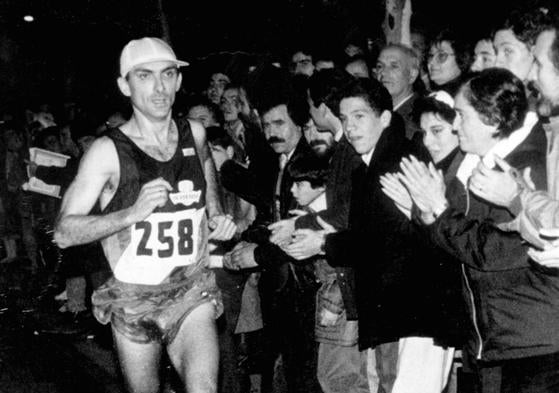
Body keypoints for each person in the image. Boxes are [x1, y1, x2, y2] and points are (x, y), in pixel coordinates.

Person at [53, 37, 237, 393]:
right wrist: (132, 213)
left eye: (168, 74)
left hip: (190, 288)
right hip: (133, 296)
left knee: (205, 388)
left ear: (179, 81)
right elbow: (64, 231)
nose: (159, 87)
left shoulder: (195, 134)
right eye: (144, 76)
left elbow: (210, 199)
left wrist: (219, 220)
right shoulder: (106, 152)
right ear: (125, 85)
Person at [396, 68, 559, 393]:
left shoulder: (521, 168)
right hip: (493, 339)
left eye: (460, 115)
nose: (455, 126)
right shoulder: (476, 165)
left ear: (492, 120)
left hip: (530, 342)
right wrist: (425, 211)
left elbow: (499, 249)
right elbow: (446, 228)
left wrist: (437, 211)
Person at [468, 18, 559, 267]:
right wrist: (520, 198)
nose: (532, 75)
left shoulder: (541, 130)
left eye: (507, 51)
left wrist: (516, 197)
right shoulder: (551, 126)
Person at [375, 43, 422, 140]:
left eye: (394, 66)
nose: (383, 72)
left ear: (412, 75)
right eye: (380, 66)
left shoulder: (418, 117)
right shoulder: (375, 111)